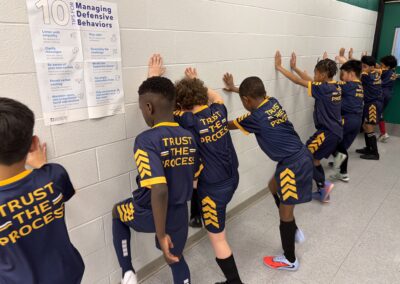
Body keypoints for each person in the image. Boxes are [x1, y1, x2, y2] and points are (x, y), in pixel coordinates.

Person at [111, 76, 200, 284]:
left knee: (117, 212)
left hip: (150, 212)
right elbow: (194, 173)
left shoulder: (146, 140)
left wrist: (160, 234)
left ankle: (127, 272)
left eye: (142, 109)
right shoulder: (188, 136)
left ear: (149, 107)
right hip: (179, 212)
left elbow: (159, 189)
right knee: (175, 259)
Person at [223, 74, 313, 271]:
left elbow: (229, 125)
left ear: (247, 100)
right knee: (272, 186)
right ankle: (294, 229)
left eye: (243, 100)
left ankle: (290, 260)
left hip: (293, 166)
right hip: (297, 156)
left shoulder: (255, 118)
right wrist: (235, 88)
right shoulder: (272, 102)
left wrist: (208, 121)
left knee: (285, 213)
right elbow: (253, 93)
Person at [0, 97, 84, 284]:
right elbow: (68, 192)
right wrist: (42, 166)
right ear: (33, 143)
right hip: (67, 274)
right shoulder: (53, 175)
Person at [275, 51, 342, 202]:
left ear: (323, 75)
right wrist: (296, 67)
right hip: (335, 132)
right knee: (315, 160)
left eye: (316, 73)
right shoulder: (334, 86)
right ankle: (323, 191)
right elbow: (311, 82)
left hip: (327, 133)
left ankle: (322, 189)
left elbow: (299, 81)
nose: (314, 75)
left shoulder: (324, 89)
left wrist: (279, 67)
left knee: (305, 155)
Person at [328, 59, 364, 182]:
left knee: (333, 143)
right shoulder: (359, 84)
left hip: (347, 120)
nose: (342, 78)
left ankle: (341, 171)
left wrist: (326, 69)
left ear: (351, 73)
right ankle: (341, 170)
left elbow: (326, 83)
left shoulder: (347, 85)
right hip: (357, 121)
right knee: (341, 146)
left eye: (343, 74)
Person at [355, 56, 383, 160]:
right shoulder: (377, 73)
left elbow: (356, 73)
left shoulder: (366, 75)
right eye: (362, 66)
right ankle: (368, 148)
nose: (362, 68)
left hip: (373, 105)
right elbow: (378, 68)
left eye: (365, 66)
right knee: (365, 125)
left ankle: (375, 153)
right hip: (374, 102)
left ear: (371, 67)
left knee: (369, 126)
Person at [378, 55, 398, 142]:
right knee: (380, 112)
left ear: (388, 66)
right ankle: (383, 133)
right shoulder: (393, 71)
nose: (380, 66)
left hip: (382, 94)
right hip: (388, 94)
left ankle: (384, 133)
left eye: (382, 65)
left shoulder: (386, 72)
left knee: (379, 112)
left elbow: (380, 81)